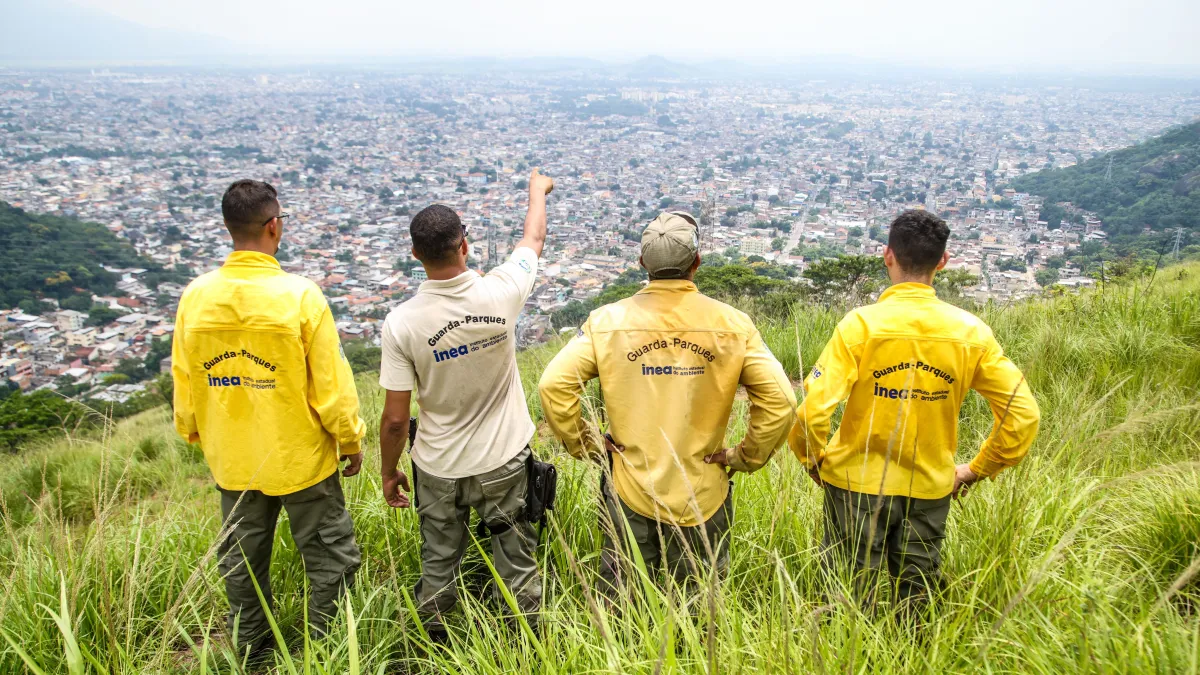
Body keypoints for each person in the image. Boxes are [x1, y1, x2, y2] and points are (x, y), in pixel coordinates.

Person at [789, 209, 1040, 615]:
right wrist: (977, 468)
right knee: (916, 597)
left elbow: (810, 412)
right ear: (943, 261)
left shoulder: (860, 327)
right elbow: (1023, 414)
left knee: (847, 599)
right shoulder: (970, 332)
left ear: (888, 255)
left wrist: (814, 459)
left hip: (854, 483)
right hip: (930, 485)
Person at [538, 211, 797, 593]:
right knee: (699, 611)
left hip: (629, 487)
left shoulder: (607, 321)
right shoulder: (732, 324)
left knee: (623, 608)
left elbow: (552, 385)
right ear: (697, 262)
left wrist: (590, 446)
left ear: (643, 264)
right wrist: (744, 457)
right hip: (703, 490)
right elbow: (782, 400)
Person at [171, 180, 366, 658]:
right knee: (328, 558)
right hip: (301, 457)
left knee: (241, 563)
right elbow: (331, 386)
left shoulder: (195, 299)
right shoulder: (299, 297)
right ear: (274, 226)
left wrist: (197, 432)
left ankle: (254, 653)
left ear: (228, 228)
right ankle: (328, 653)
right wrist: (350, 440)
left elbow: (185, 382)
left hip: (234, 461)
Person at [377, 169, 555, 638]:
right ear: (465, 244)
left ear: (416, 255)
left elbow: (396, 419)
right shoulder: (502, 291)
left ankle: (433, 646)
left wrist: (389, 470)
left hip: (437, 466)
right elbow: (533, 237)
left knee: (438, 562)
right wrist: (537, 191)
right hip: (503, 459)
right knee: (516, 559)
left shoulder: (402, 324)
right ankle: (524, 646)